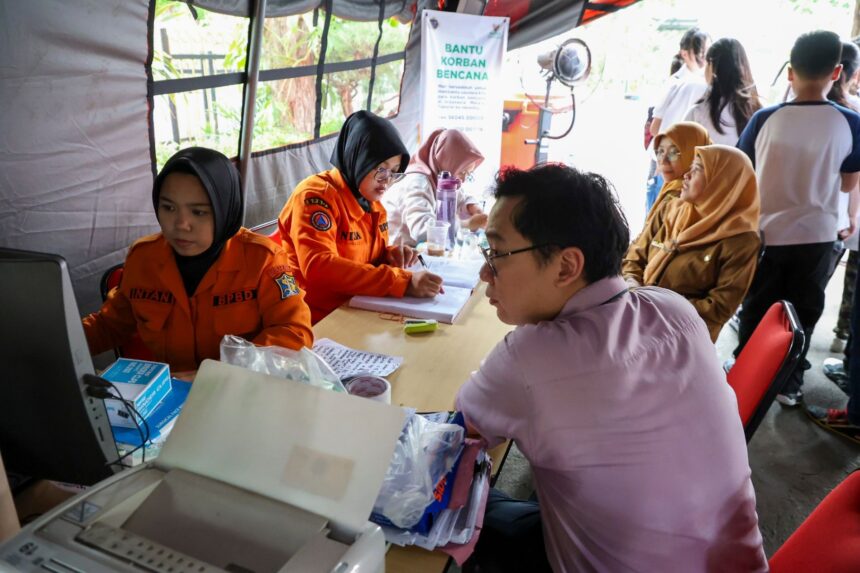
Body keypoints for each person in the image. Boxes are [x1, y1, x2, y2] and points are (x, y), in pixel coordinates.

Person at [458, 164, 766, 573]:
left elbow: (465, 429)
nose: (485, 272)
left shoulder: (529, 358)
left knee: (461, 507)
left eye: (496, 254)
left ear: (567, 266)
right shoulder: (675, 308)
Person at [83, 147, 314, 373]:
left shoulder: (263, 260)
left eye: (199, 212)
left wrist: (214, 374)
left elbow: (295, 332)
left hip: (240, 390)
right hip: (172, 398)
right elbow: (109, 326)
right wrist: (56, 343)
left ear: (225, 210)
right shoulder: (143, 259)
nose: (181, 224)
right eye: (169, 207)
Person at [733, 30, 860, 408]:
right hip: (819, 237)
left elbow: (744, 175)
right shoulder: (851, 123)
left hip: (767, 235)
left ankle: (745, 378)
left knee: (757, 306)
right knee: (803, 310)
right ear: (837, 72)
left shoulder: (764, 119)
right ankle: (789, 383)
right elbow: (848, 182)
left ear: (790, 72)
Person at [278, 111, 443, 323]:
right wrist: (403, 282)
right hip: (316, 319)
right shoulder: (316, 196)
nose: (387, 180)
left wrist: (389, 256)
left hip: (356, 309)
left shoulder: (372, 204)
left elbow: (362, 260)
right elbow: (319, 266)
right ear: (359, 157)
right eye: (380, 169)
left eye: (394, 172)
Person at [623, 145, 761, 342]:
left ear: (720, 183)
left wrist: (653, 307)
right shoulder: (673, 208)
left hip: (681, 338)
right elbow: (636, 253)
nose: (686, 175)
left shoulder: (740, 242)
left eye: (696, 169)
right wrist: (631, 284)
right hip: (635, 313)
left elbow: (719, 308)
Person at [381, 128, 487, 247]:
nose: (463, 180)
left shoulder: (441, 177)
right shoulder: (418, 182)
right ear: (448, 162)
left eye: (469, 174)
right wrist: (466, 224)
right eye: (462, 172)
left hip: (413, 255)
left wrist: (472, 206)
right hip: (397, 256)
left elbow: (461, 196)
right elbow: (422, 231)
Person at [684, 38, 762, 145]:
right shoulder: (758, 110)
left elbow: (682, 151)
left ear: (713, 66)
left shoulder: (698, 112)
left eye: (707, 63)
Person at [643, 121, 712, 227]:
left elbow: (659, 242)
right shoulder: (670, 187)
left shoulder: (681, 199)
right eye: (661, 151)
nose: (663, 161)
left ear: (693, 155)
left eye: (673, 153)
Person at [649, 27, 710, 137]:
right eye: (701, 53)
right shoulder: (674, 82)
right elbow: (654, 129)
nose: (706, 58)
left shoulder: (709, 82)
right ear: (684, 54)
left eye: (708, 52)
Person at [644, 54, 685, 214]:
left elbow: (654, 129)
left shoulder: (670, 88)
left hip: (661, 160)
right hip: (670, 162)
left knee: (654, 210)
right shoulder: (676, 88)